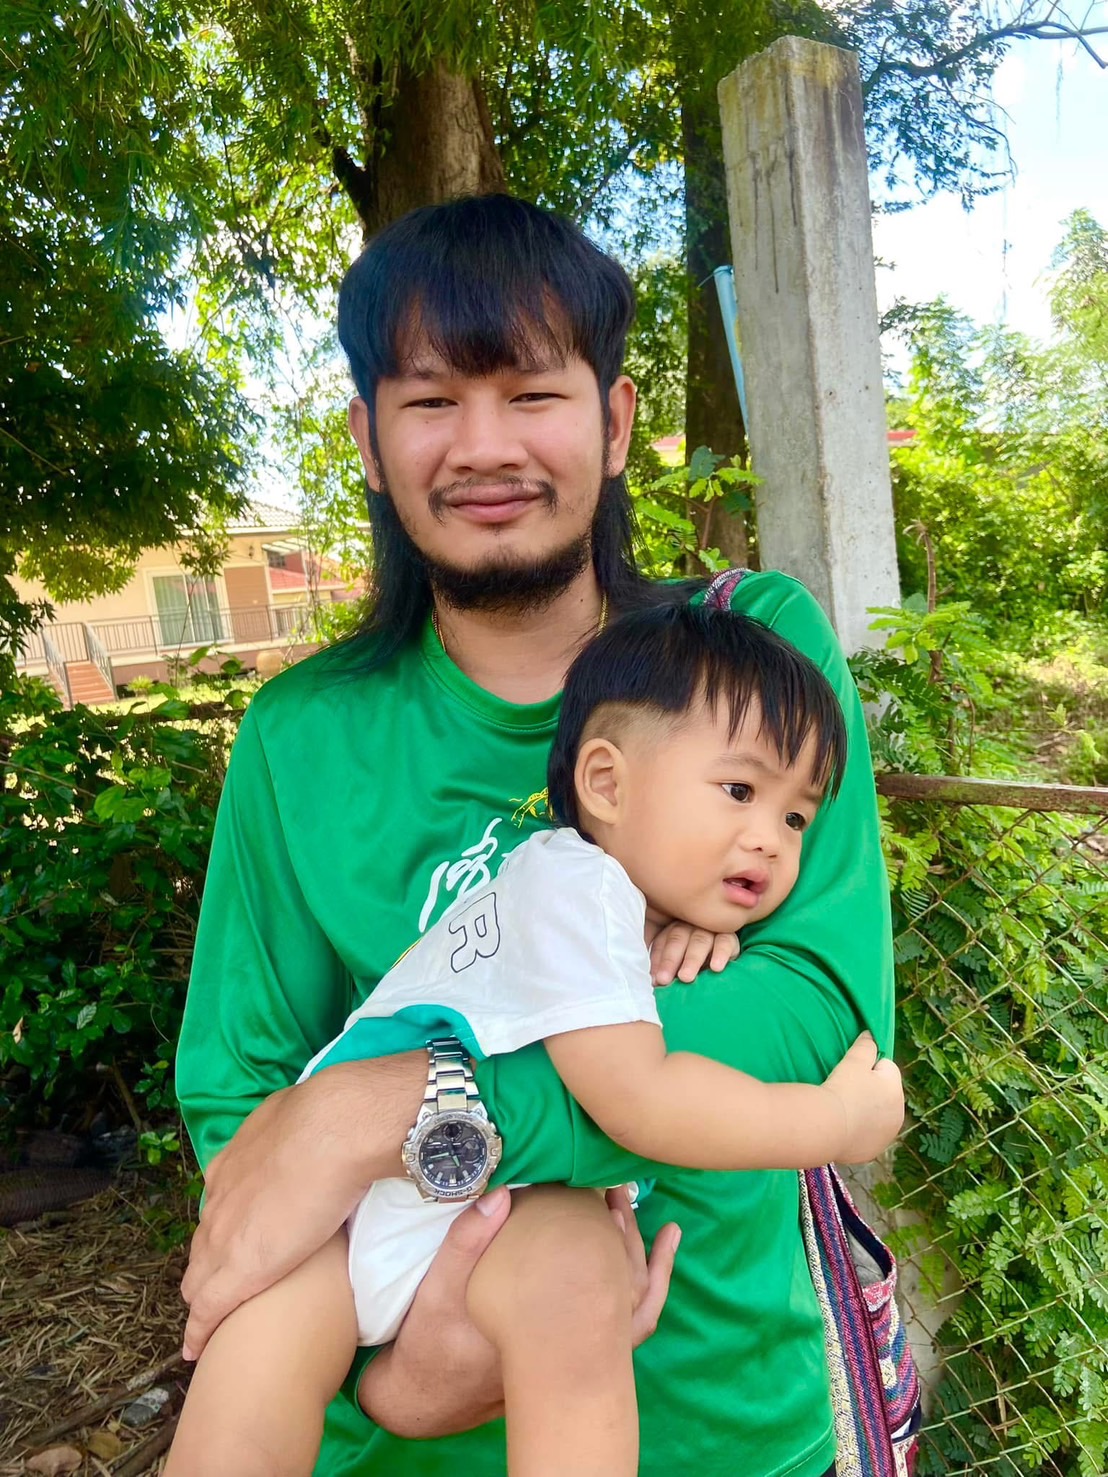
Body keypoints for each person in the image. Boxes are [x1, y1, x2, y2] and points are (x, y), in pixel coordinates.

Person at [175, 193, 896, 1477]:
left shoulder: (751, 662)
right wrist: (398, 1381)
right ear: (368, 439)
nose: (484, 445)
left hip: (723, 1427)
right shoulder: (301, 736)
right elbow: (244, 1099)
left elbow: (814, 1012)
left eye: (532, 393)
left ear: (613, 423)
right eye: (432, 399)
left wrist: (398, 1103)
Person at [166, 603, 903, 1477]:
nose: (770, 841)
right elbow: (639, 1100)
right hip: (387, 1190)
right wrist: (837, 1123)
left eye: (796, 820)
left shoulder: (579, 890)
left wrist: (681, 925)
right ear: (606, 783)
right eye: (740, 791)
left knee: (248, 1421)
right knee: (578, 1295)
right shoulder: (577, 891)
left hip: (355, 1225)